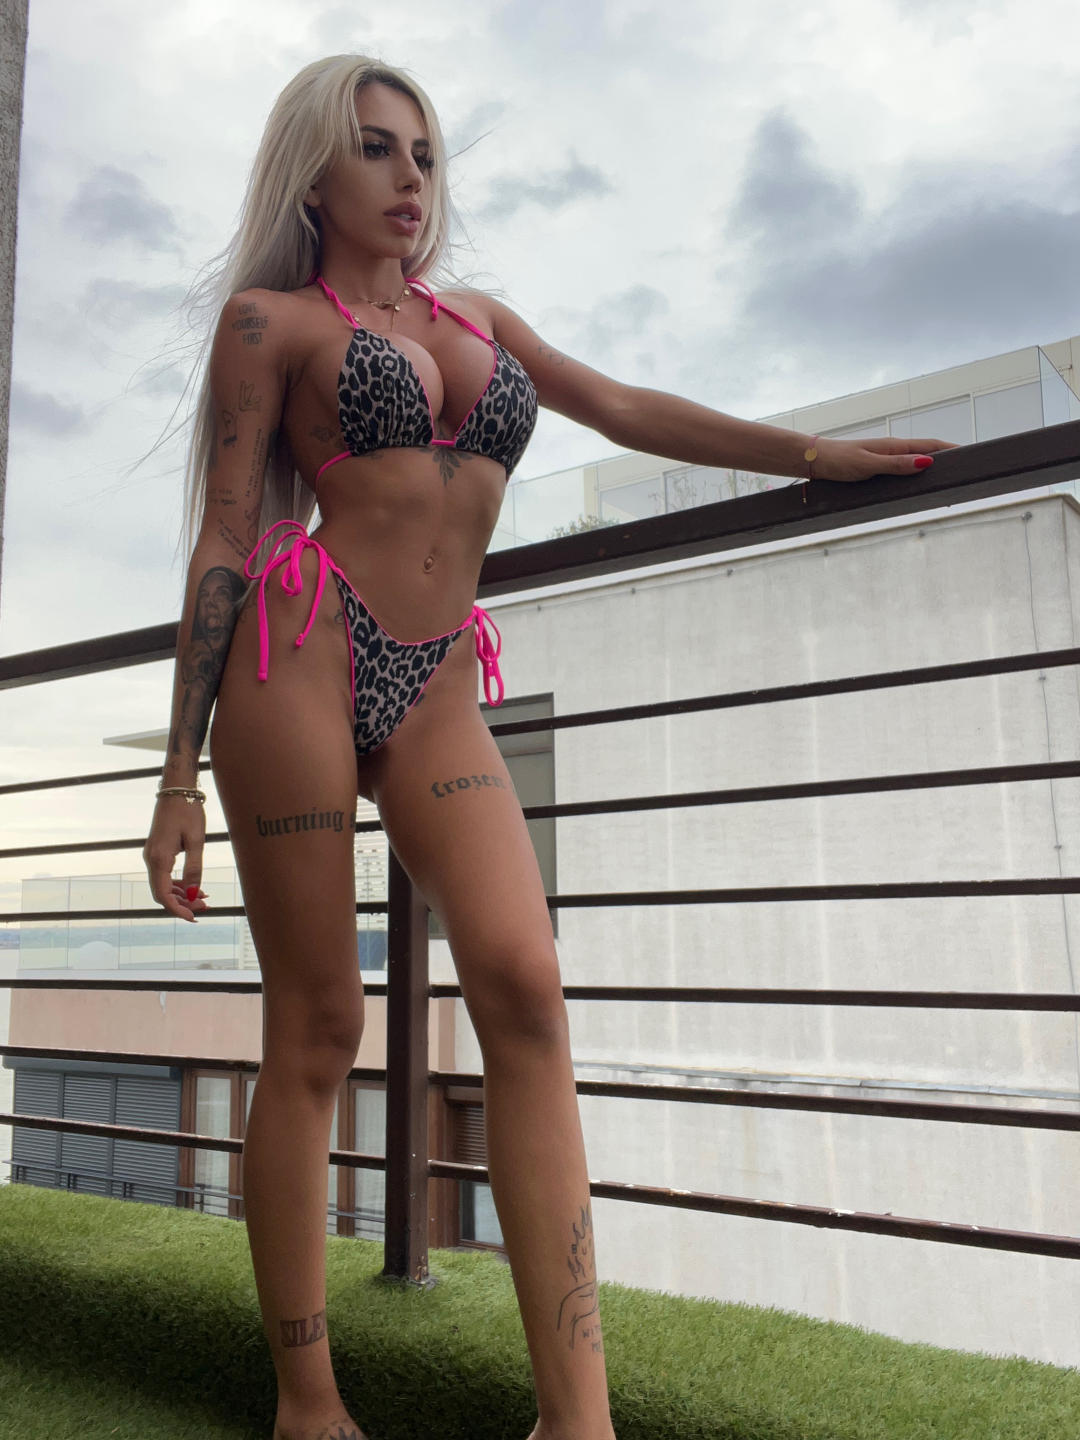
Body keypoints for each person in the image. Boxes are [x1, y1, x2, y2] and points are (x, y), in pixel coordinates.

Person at [142, 54, 956, 1440]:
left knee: (525, 986)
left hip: (440, 676)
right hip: (301, 647)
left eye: (425, 153)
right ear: (314, 174)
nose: (411, 177)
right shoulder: (270, 322)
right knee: (321, 1024)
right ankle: (307, 1401)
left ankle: (578, 1418)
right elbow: (225, 536)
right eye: (376, 148)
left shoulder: (482, 320)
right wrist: (176, 772)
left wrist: (814, 456)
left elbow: (624, 408)